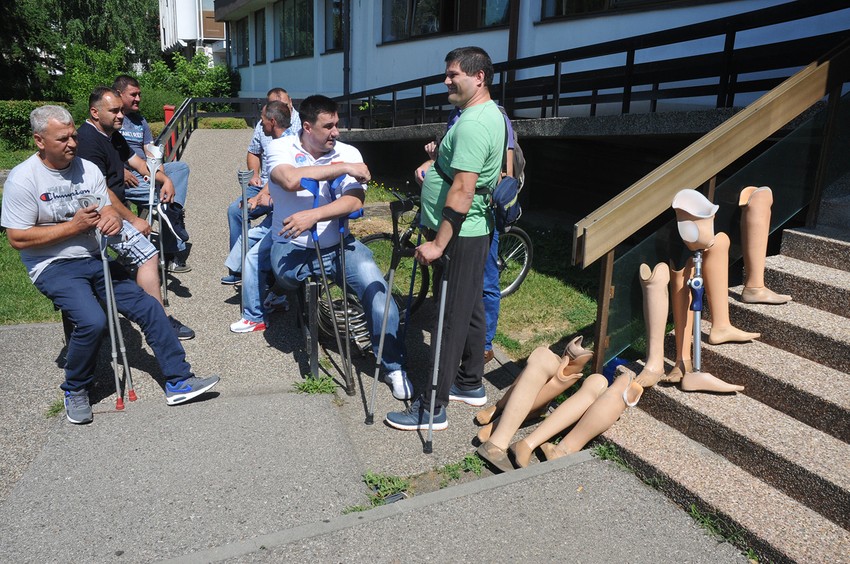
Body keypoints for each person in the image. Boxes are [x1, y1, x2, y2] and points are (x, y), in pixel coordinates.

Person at [0, 105, 219, 425]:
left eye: (73, 136)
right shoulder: (23, 178)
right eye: (62, 139)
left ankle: (179, 381)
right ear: (39, 141)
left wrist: (112, 220)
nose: (72, 143)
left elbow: (105, 209)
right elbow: (17, 238)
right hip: (52, 265)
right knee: (93, 321)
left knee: (150, 307)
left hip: (95, 257)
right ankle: (76, 388)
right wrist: (72, 228)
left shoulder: (87, 169)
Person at [386, 46, 506, 431]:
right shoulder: (483, 114)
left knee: (449, 318)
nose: (446, 81)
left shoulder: (473, 124)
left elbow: (464, 189)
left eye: (454, 74)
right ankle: (469, 382)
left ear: (478, 77)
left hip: (460, 235)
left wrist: (439, 243)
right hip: (470, 231)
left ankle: (431, 407)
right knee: (469, 307)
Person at [266, 94, 412, 400]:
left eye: (337, 124)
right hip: (291, 245)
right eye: (328, 126)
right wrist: (342, 167)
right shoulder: (281, 147)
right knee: (287, 279)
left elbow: (354, 201)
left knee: (379, 295)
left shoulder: (347, 152)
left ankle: (393, 365)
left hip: (338, 246)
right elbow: (289, 180)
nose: (336, 131)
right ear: (307, 127)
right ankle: (292, 299)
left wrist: (314, 215)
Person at [76, 86, 194, 340]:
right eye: (114, 111)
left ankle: (130, 297)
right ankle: (159, 321)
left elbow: (138, 163)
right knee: (147, 253)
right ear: (95, 112)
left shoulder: (112, 134)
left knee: (140, 255)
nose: (121, 115)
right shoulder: (87, 141)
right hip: (98, 215)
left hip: (115, 208)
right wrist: (133, 219)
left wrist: (165, 179)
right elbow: (102, 192)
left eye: (121, 110)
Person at [421, 106, 516, 365]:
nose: (447, 86)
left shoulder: (492, 118)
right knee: (454, 283)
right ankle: (463, 346)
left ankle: (483, 346)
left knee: (485, 281)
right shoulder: (457, 115)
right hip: (455, 218)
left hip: (477, 215)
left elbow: (504, 170)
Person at [112, 74, 192, 272]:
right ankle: (173, 246)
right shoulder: (112, 118)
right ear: (119, 94)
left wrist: (162, 176)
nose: (138, 98)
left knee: (180, 168)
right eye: (133, 94)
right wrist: (120, 170)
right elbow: (104, 152)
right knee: (164, 202)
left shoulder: (140, 120)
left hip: (146, 169)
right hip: (127, 178)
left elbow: (150, 151)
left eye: (139, 94)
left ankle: (172, 210)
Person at [222, 87, 301, 285]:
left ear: (290, 102)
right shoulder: (263, 124)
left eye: (283, 104)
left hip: (282, 189)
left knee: (265, 229)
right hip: (264, 184)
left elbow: (288, 177)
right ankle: (239, 269)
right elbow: (253, 151)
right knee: (236, 210)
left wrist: (267, 197)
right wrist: (255, 175)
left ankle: (260, 271)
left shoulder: (299, 129)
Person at [226, 100, 292, 332]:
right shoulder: (284, 143)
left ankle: (255, 318)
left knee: (254, 259)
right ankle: (241, 276)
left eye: (263, 120)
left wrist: (268, 200)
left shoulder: (282, 147)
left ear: (272, 121)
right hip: (277, 214)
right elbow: (273, 179)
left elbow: (288, 184)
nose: (260, 125)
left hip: (286, 218)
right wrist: (259, 196)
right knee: (247, 238)